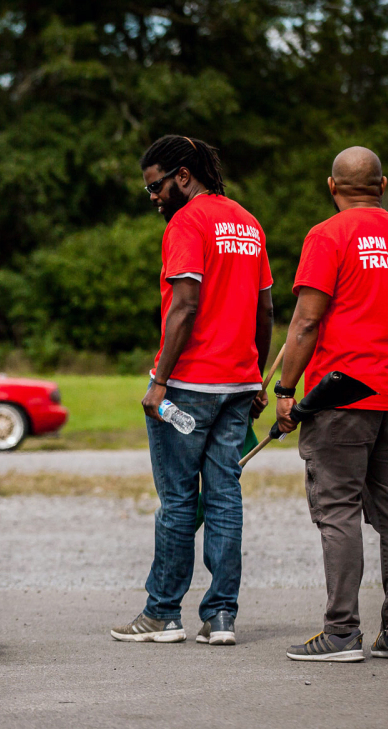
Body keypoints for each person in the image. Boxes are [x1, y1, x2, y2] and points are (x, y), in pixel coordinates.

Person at [110, 135, 273, 646]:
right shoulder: (248, 223)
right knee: (224, 497)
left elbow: (185, 304)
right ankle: (221, 617)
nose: (153, 197)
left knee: (179, 501)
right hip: (238, 384)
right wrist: (256, 374)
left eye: (156, 186)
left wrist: (159, 381)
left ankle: (162, 614)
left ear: (183, 176)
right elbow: (265, 309)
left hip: (186, 385)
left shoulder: (186, 223)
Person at [276, 146, 388, 663]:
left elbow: (306, 321)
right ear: (382, 186)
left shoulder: (328, 235)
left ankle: (341, 632)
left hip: (341, 396)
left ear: (332, 186)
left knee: (338, 508)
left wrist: (285, 392)